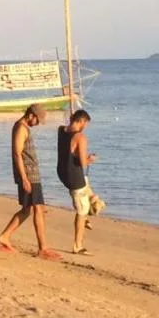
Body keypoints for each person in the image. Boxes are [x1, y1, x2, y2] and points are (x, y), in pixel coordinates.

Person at [0, 103, 61, 260]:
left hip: (32, 175)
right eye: (37, 120)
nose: (38, 124)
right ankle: (43, 248)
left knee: (29, 209)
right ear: (31, 115)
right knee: (37, 209)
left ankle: (5, 236)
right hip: (29, 176)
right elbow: (17, 154)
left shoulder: (23, 128)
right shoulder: (20, 128)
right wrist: (24, 178)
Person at [57, 109, 97, 254]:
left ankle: (85, 219)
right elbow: (82, 162)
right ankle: (78, 246)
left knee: (87, 196)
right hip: (74, 176)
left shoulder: (61, 130)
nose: (85, 127)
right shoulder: (80, 137)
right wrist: (90, 159)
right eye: (85, 123)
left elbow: (71, 150)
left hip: (62, 173)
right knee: (82, 209)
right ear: (81, 121)